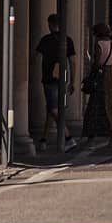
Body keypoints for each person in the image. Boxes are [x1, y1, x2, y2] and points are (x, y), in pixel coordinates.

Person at [82, 22, 112, 153]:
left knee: (95, 109)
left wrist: (91, 63)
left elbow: (97, 64)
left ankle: (91, 140)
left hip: (102, 80)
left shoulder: (99, 44)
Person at [35, 13, 76, 151]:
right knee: (52, 109)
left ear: (51, 25)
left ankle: (68, 137)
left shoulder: (46, 40)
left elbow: (36, 57)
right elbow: (72, 62)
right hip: (63, 79)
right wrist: (72, 81)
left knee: (53, 109)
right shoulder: (67, 40)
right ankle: (43, 139)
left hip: (49, 79)